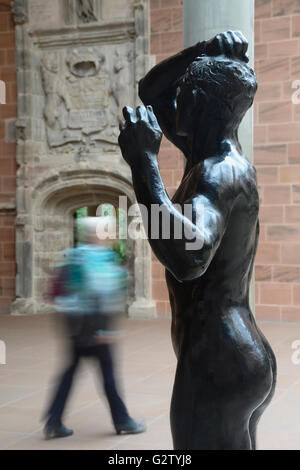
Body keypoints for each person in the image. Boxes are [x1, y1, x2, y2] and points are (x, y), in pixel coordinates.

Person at [118, 31, 276, 450]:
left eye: (185, 94)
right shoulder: (215, 158)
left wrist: (144, 165)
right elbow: (151, 90)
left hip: (216, 362)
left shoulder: (216, 173)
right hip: (240, 355)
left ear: (202, 107)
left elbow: (190, 257)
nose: (175, 102)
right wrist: (206, 49)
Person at [43, 216, 146, 439]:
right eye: (107, 232)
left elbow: (60, 296)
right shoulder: (101, 259)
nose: (110, 236)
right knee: (108, 376)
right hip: (95, 329)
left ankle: (53, 421)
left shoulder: (72, 256)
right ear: (97, 234)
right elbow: (104, 298)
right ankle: (122, 420)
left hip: (75, 328)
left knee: (69, 374)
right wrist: (107, 332)